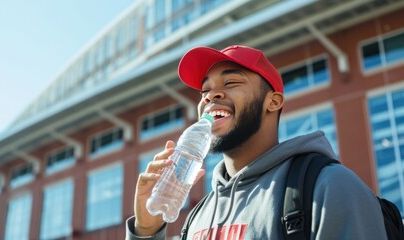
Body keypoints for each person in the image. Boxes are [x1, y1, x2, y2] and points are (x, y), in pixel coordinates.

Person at [126, 45, 387, 239]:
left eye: (231, 82)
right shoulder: (198, 215)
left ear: (273, 102)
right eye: (205, 90)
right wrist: (146, 229)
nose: (210, 95)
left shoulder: (329, 186)